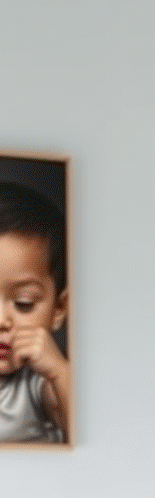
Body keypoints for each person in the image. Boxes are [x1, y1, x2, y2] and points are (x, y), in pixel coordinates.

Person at [0, 181, 70, 443]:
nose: (1, 321)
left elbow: (94, 434)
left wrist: (59, 371)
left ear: (59, 309)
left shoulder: (38, 384)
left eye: (23, 303)